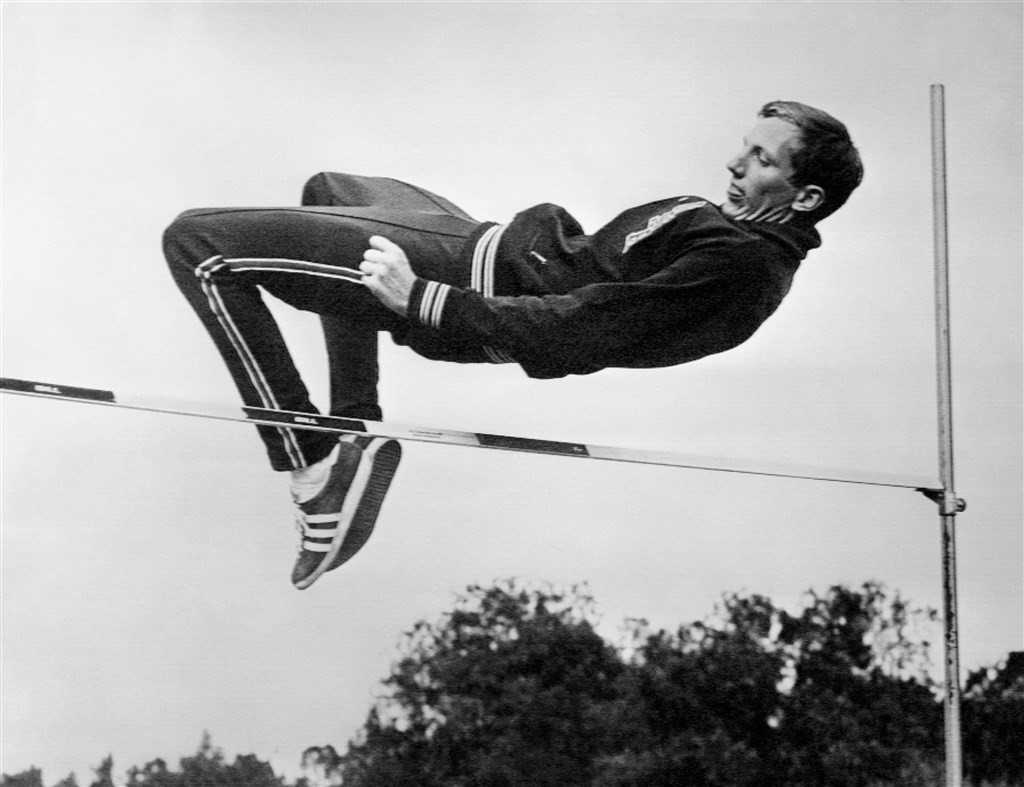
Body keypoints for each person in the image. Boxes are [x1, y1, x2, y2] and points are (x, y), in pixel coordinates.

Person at [163, 100, 863, 590]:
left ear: (804, 198)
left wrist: (426, 299)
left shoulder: (742, 268)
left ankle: (309, 465)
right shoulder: (737, 237)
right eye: (745, 146)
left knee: (198, 244)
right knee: (329, 189)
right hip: (486, 243)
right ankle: (352, 431)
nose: (735, 163)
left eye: (760, 158)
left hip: (466, 275)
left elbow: (582, 329)